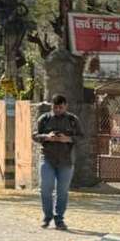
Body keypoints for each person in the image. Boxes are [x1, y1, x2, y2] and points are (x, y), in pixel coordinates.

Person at [34, 94, 83, 230]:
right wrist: (46, 137)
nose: (58, 110)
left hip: (66, 161)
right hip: (47, 158)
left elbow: (81, 136)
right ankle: (47, 216)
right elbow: (35, 135)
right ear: (52, 106)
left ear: (65, 106)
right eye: (55, 107)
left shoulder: (73, 120)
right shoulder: (44, 119)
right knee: (45, 188)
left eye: (61, 107)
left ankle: (59, 218)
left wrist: (68, 139)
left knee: (62, 191)